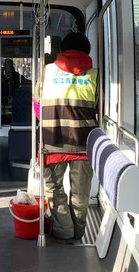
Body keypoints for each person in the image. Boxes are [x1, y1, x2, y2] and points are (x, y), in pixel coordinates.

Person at [34, 32, 98, 243]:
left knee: (53, 188)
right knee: (81, 192)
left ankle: (64, 231)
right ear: (86, 51)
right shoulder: (95, 75)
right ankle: (78, 234)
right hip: (84, 143)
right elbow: (100, 108)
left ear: (62, 51)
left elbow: (36, 105)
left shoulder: (47, 71)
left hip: (52, 141)